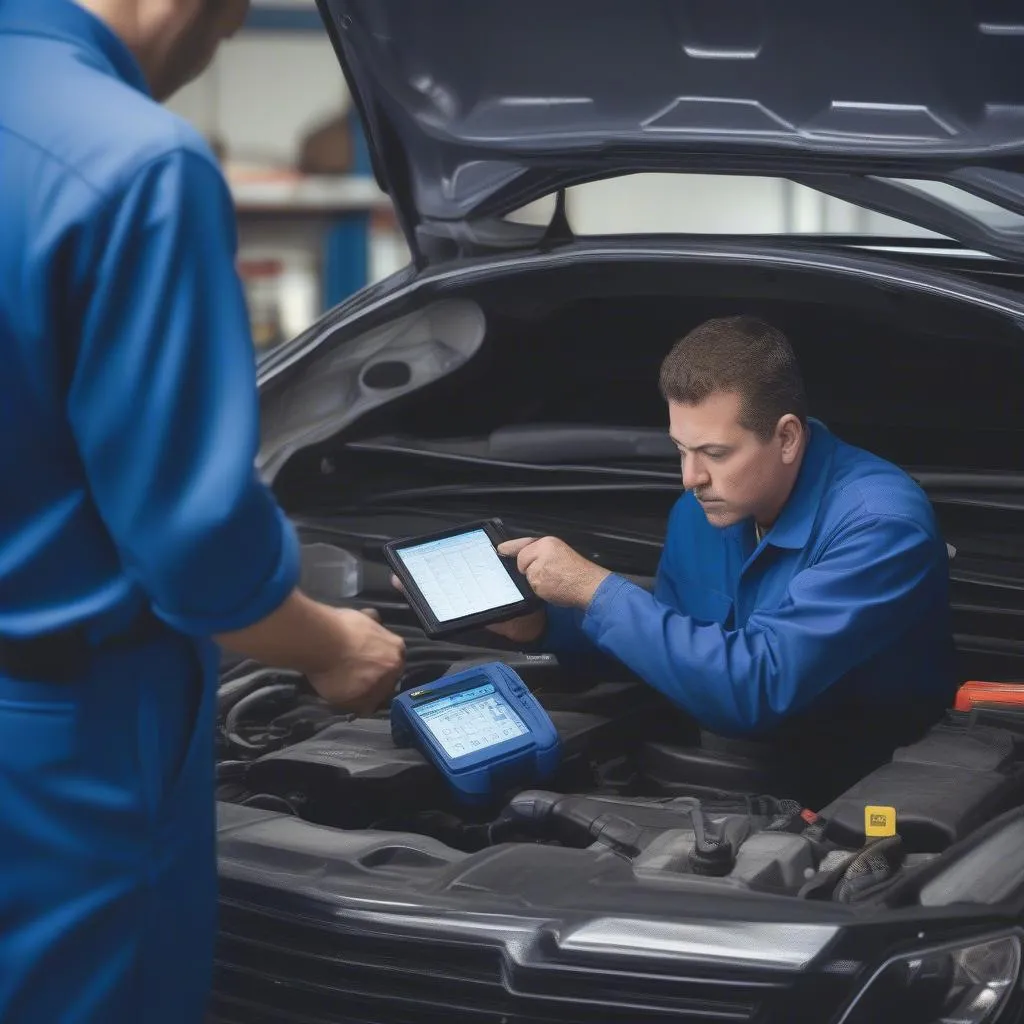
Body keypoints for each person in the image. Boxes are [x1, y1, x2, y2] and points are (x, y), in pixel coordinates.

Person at [0, 1, 405, 1021]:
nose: (221, 41)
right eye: (230, 19)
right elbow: (198, 549)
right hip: (68, 745)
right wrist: (328, 645)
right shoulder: (135, 163)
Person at [482, 317, 956, 802]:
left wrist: (595, 588)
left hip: (866, 793)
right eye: (681, 450)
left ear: (787, 438)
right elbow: (673, 650)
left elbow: (755, 689)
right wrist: (543, 626)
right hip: (732, 776)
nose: (690, 477)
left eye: (714, 452)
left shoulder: (880, 524)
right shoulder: (702, 511)